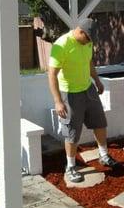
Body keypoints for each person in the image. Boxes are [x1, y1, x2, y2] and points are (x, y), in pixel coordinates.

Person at [48, 18, 118, 183]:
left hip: (88, 89)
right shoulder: (62, 45)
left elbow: (88, 62)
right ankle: (71, 166)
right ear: (80, 31)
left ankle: (104, 155)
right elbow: (51, 74)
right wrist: (58, 101)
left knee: (100, 123)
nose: (90, 42)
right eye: (88, 38)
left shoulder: (87, 42)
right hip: (70, 94)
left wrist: (97, 81)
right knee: (72, 133)